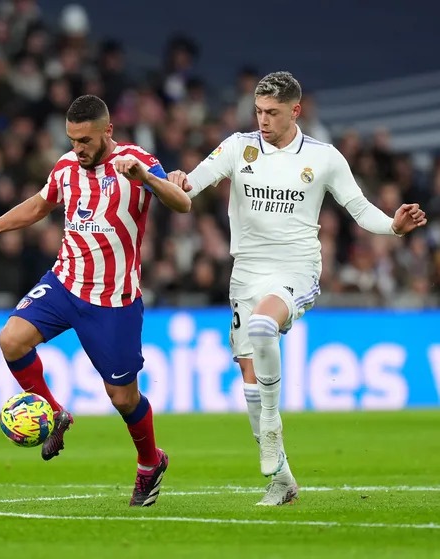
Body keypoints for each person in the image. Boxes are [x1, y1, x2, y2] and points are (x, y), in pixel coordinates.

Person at [167, 71, 427, 506]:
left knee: (266, 326)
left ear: (295, 110)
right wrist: (175, 179)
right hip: (246, 271)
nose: (263, 120)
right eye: (258, 111)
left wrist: (394, 227)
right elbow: (193, 182)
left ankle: (272, 427)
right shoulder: (238, 147)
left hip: (297, 268)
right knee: (249, 378)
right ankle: (283, 481)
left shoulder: (324, 158)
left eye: (271, 112)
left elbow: (360, 209)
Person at [0, 95, 191, 507]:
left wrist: (146, 177)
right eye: (72, 139)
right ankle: (55, 414)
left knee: (123, 398)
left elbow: (182, 203)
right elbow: (38, 206)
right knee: (11, 339)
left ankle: (149, 462)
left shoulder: (136, 161)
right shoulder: (67, 166)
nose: (78, 148)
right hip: (65, 284)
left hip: (113, 300)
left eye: (85, 140)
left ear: (108, 132)